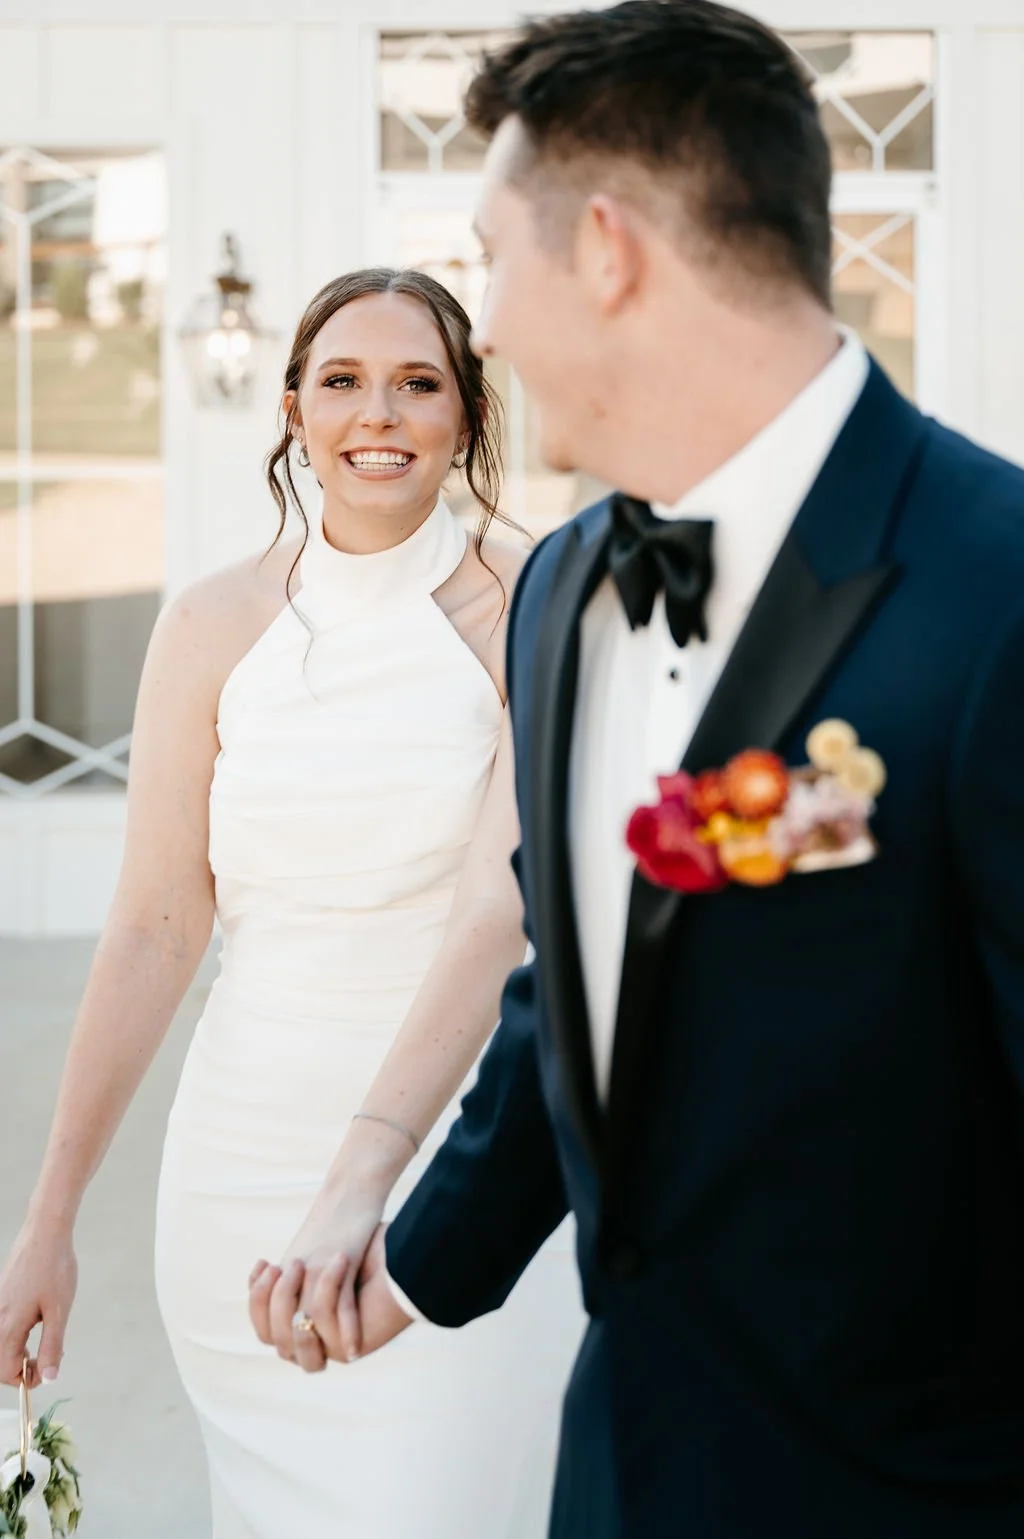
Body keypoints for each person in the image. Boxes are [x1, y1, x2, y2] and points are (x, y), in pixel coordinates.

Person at [298, 5, 1024, 1538]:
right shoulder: (561, 588)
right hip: (620, 1479)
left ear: (607, 249)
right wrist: (419, 1257)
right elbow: (581, 977)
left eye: (495, 261)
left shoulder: (1001, 590)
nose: (487, 328)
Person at [0, 267, 583, 1537]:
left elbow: (499, 915)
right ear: (293, 412)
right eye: (343, 381)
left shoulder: (534, 604)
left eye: (418, 383)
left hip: (451, 1165)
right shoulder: (210, 624)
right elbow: (153, 927)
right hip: (238, 1172)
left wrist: (372, 1177)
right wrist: (48, 1221)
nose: (379, 413)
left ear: (469, 416)